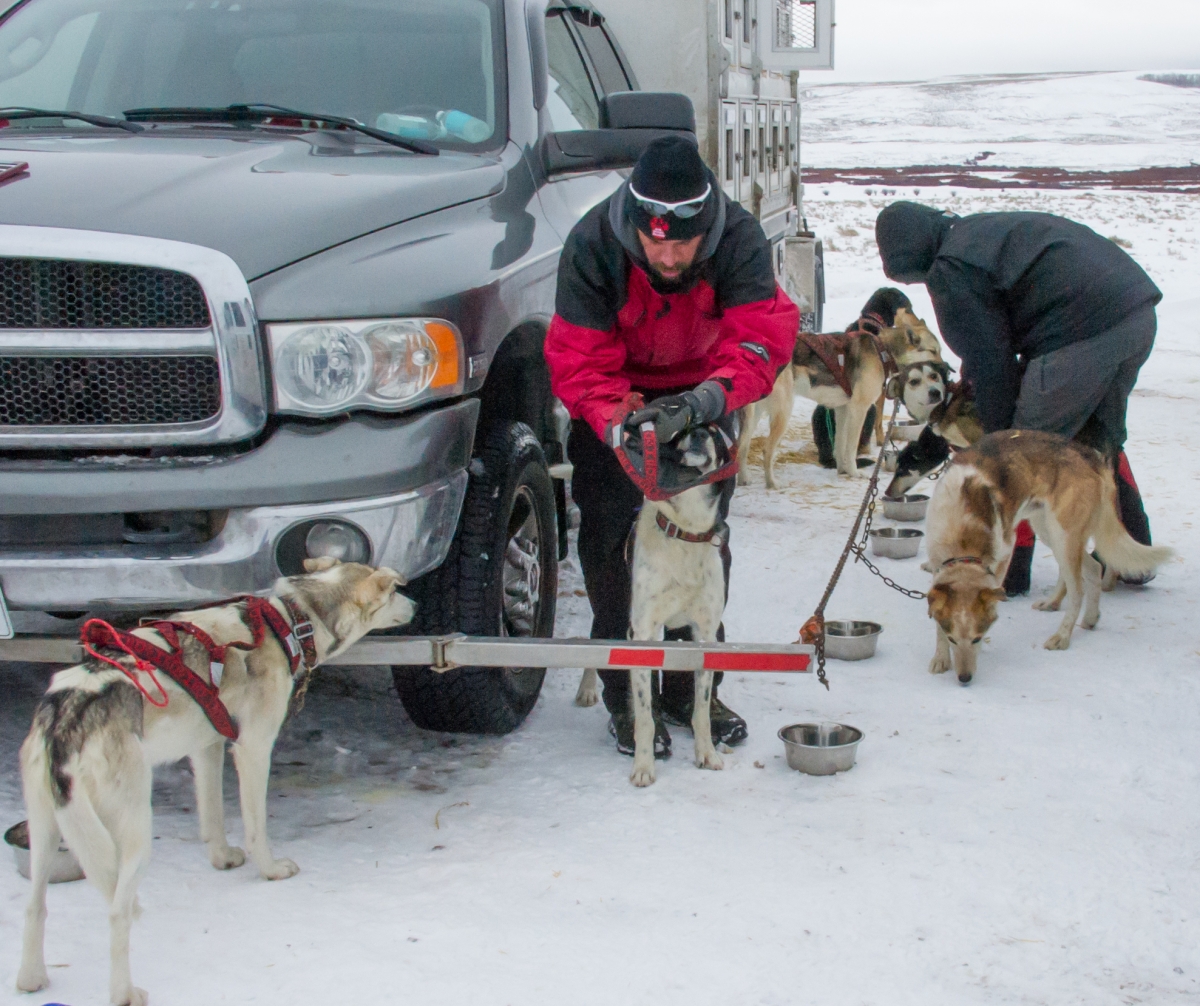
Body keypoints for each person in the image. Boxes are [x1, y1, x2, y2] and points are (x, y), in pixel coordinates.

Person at [544, 135, 798, 757]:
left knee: (704, 542)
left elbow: (759, 339)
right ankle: (626, 697)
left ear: (706, 225)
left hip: (704, 392)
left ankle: (693, 691)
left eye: (681, 241)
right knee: (608, 542)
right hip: (618, 396)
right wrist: (613, 423)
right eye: (654, 240)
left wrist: (708, 401)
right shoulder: (593, 246)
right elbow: (577, 359)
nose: (666, 253)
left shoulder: (739, 242)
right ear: (635, 221)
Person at [874, 201, 1162, 593]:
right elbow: (992, 338)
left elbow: (994, 363)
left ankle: (1009, 571)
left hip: (1079, 332)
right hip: (1134, 314)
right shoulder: (974, 234)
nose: (916, 283)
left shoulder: (950, 268)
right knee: (1097, 437)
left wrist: (997, 435)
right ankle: (1134, 555)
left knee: (1020, 450)